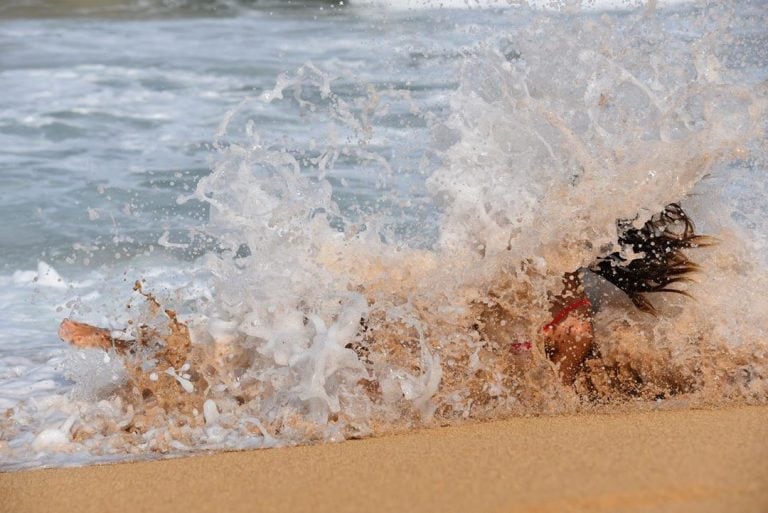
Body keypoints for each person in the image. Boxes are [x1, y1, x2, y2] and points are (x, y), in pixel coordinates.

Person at [59, 203, 710, 388]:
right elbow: (563, 351)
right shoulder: (564, 287)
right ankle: (139, 346)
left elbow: (565, 355)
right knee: (288, 355)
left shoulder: (570, 293)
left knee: (278, 357)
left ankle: (139, 347)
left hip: (422, 324)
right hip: (421, 320)